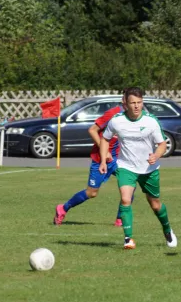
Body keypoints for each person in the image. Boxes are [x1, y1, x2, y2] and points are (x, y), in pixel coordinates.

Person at [99, 87, 176, 250]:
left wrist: (156, 155)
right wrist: (103, 160)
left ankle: (167, 230)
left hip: (149, 169)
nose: (136, 106)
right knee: (126, 199)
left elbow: (162, 144)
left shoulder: (151, 121)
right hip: (126, 167)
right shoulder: (116, 120)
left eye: (139, 103)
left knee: (155, 204)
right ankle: (128, 239)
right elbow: (105, 139)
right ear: (125, 104)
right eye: (132, 103)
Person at [53, 92, 134, 227]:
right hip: (100, 158)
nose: (133, 105)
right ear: (124, 101)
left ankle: (120, 219)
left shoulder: (132, 117)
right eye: (130, 101)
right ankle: (63, 208)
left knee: (130, 186)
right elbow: (92, 130)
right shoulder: (113, 114)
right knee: (92, 193)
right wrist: (105, 150)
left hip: (119, 159)